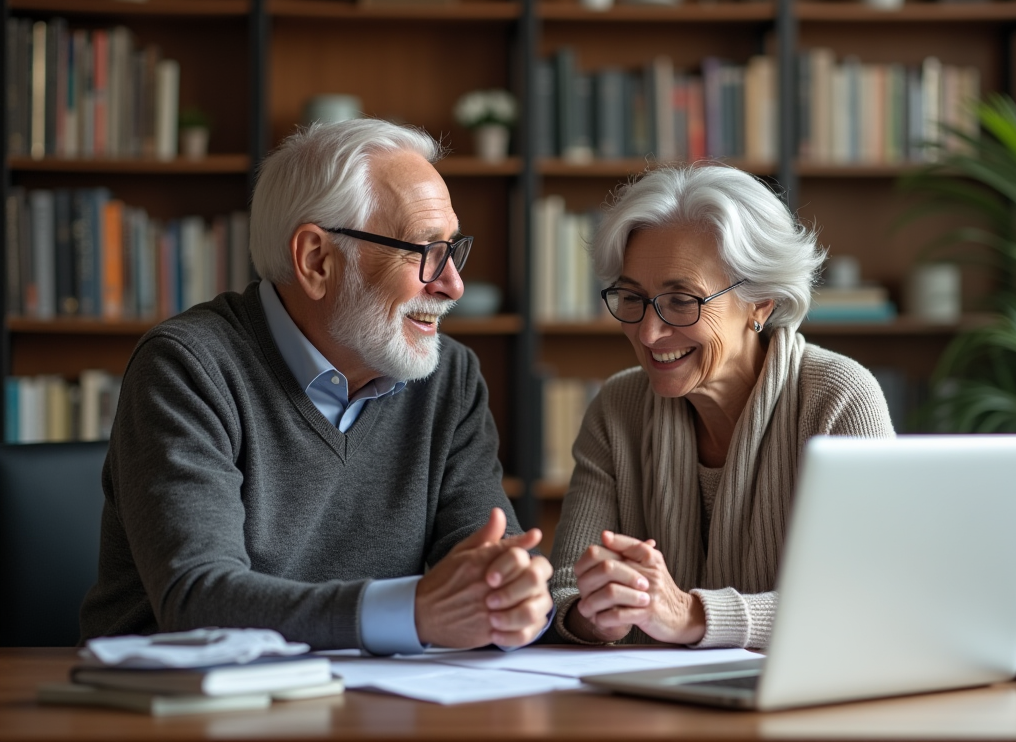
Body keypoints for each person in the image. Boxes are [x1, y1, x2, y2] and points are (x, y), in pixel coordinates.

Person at [80, 119, 553, 654]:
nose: (453, 284)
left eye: (452, 249)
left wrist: (518, 596)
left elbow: (491, 558)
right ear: (316, 260)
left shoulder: (449, 376)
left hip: (376, 705)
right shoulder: (188, 366)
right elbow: (197, 600)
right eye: (424, 250)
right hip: (176, 711)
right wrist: (413, 612)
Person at [548, 163, 894, 649]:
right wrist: (599, 613)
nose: (649, 334)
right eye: (632, 298)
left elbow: (869, 603)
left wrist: (690, 615)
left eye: (682, 300)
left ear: (762, 302)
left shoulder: (838, 398)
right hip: (653, 711)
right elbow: (566, 587)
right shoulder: (618, 407)